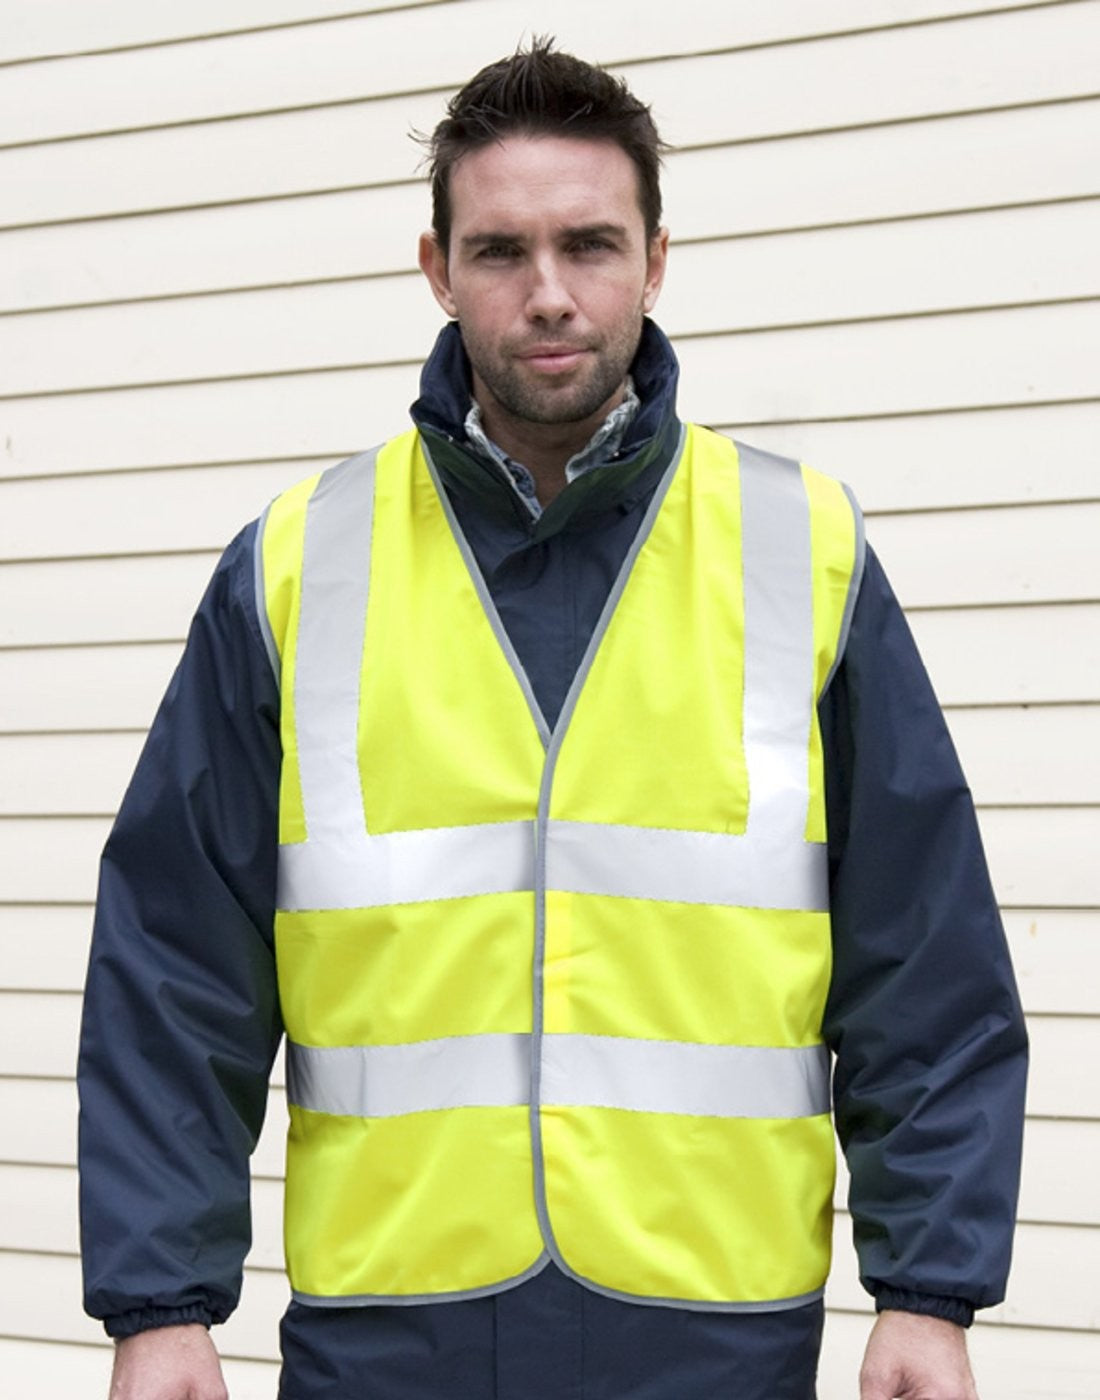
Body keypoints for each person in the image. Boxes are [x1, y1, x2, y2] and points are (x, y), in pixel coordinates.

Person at [78, 39, 1028, 1400]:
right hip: (389, 1335)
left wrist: (929, 1291)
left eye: (589, 245)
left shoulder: (799, 549)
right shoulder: (297, 565)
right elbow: (174, 966)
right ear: (435, 267)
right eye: (500, 252)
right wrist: (158, 1306)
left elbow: (923, 956)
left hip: (711, 1336)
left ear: (654, 259)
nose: (548, 295)